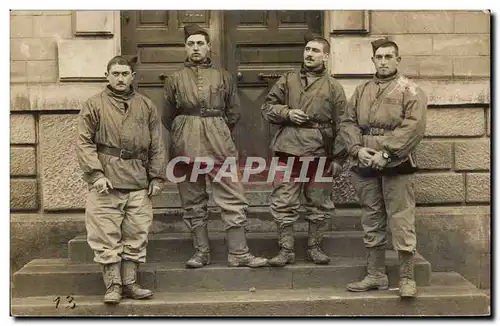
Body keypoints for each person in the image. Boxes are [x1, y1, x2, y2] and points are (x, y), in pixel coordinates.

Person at [162, 24, 268, 269]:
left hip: (219, 142)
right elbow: (167, 116)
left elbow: (233, 112)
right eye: (191, 44)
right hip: (185, 143)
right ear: (185, 48)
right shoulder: (174, 79)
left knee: (233, 194)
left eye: (200, 43)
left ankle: (239, 252)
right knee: (192, 198)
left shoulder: (223, 76)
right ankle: (201, 253)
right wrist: (186, 129)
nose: (196, 48)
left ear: (209, 47)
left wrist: (216, 129)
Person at [341, 38, 427, 298]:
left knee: (401, 218)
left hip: (396, 163)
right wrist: (357, 149)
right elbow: (348, 122)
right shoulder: (362, 90)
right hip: (365, 161)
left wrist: (387, 153)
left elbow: (414, 127)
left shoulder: (410, 90)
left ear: (397, 60)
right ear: (373, 60)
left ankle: (406, 278)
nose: (384, 61)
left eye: (389, 57)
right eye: (380, 57)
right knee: (371, 217)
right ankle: (376, 275)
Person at [76, 55, 166, 304]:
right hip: (107, 182)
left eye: (125, 74)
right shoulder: (94, 105)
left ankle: (130, 284)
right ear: (107, 76)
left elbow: (158, 144)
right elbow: (83, 142)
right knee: (105, 234)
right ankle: (113, 285)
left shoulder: (146, 105)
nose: (120, 78)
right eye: (115, 73)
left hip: (138, 180)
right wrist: (95, 175)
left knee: (136, 233)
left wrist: (156, 176)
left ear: (132, 77)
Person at [260, 31, 348, 267]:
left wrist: (339, 158)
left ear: (326, 57)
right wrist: (287, 113)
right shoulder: (288, 80)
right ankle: (286, 250)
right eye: (307, 50)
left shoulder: (334, 87)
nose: (309, 54)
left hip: (320, 151)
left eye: (315, 51)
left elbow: (344, 124)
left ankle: (314, 248)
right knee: (283, 200)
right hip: (287, 149)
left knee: (319, 202)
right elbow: (267, 107)